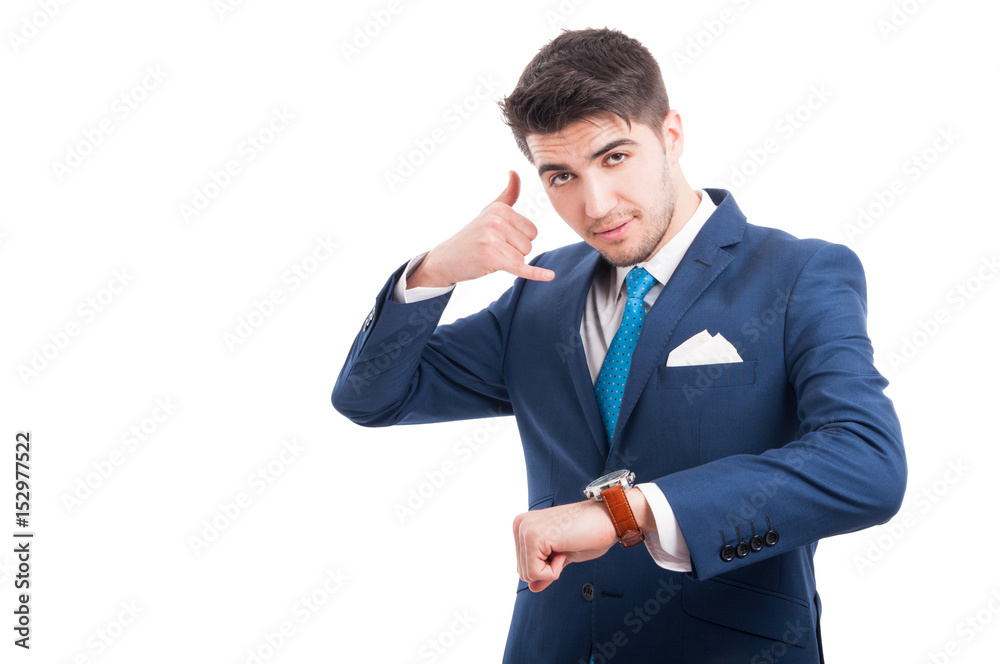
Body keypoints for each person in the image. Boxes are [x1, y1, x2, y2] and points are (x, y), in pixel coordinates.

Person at [331, 27, 906, 663]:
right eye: (560, 176)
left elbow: (867, 466)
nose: (595, 205)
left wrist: (623, 515)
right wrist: (433, 272)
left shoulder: (799, 274)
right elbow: (374, 397)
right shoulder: (538, 293)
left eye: (614, 157)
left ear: (672, 135)